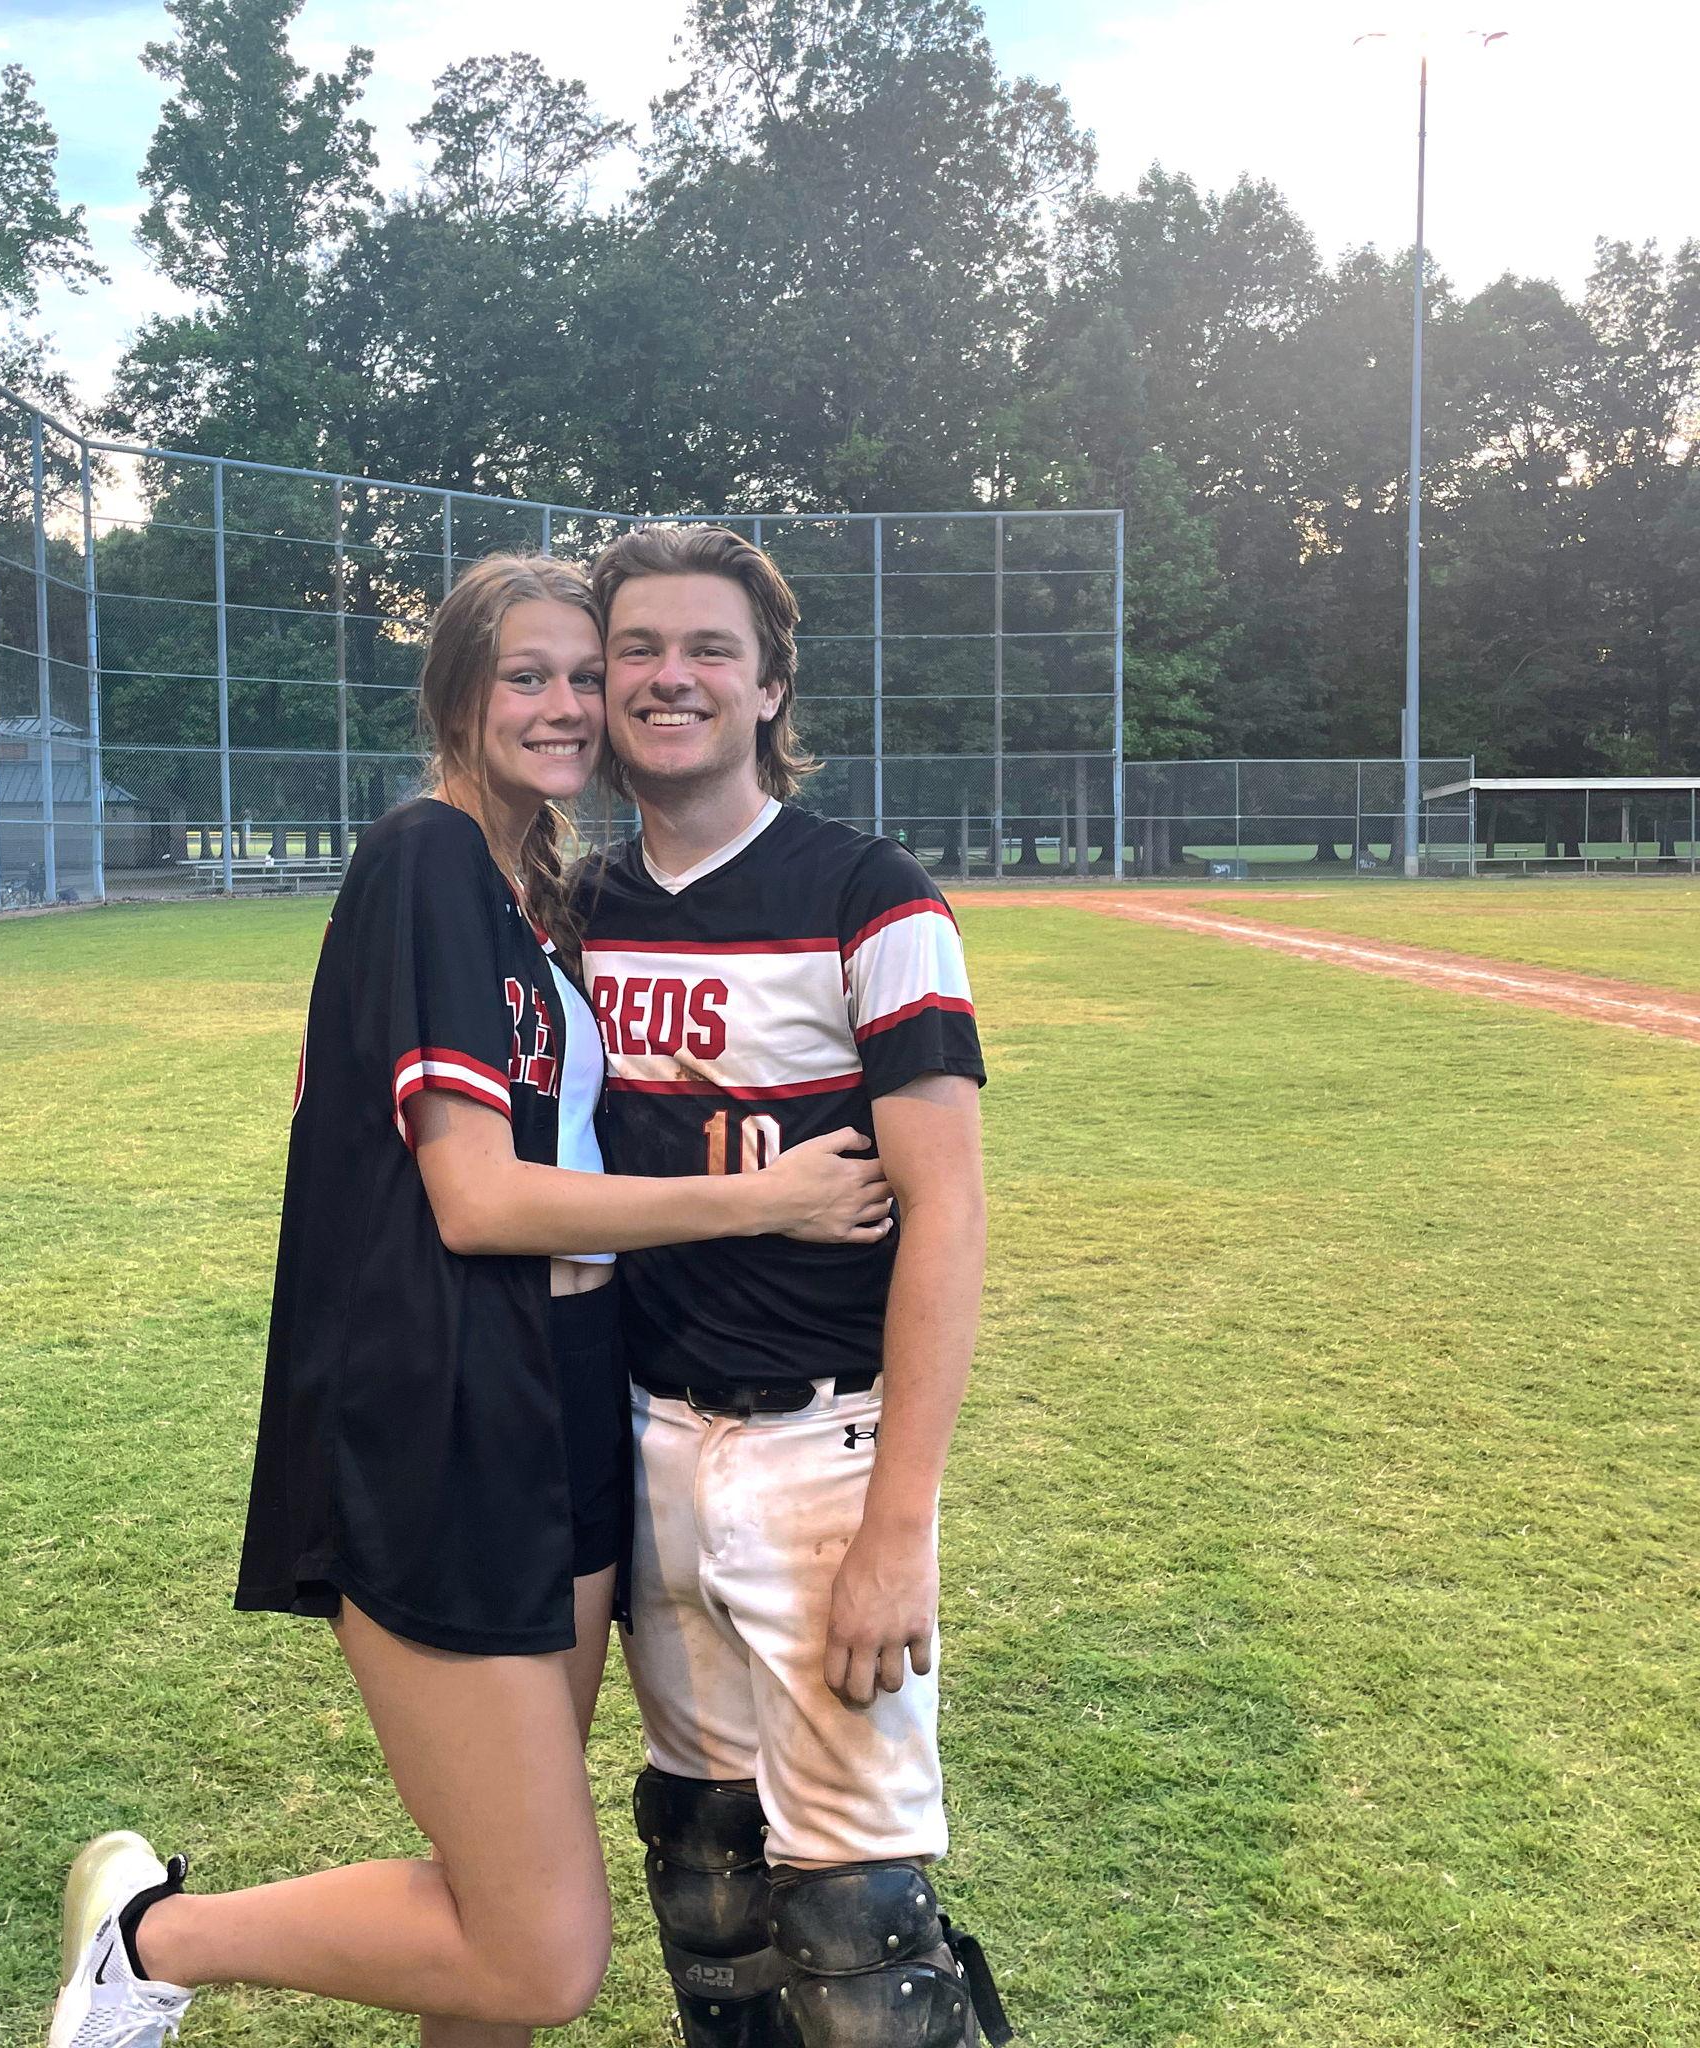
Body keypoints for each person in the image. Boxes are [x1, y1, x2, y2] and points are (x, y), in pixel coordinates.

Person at [45, 553, 895, 2048]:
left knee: (491, 1907)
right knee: (539, 1954)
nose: (568, 705)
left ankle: (151, 1940)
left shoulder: (534, 894)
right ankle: (149, 1938)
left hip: (563, 1392)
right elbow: (479, 1200)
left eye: (587, 677)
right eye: (528, 676)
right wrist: (763, 1198)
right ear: (455, 695)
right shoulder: (427, 856)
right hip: (446, 1408)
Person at [575, 525, 1011, 2046]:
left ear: (769, 687)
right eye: (638, 649)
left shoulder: (870, 895)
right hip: (643, 1438)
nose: (670, 677)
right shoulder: (574, 909)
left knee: (854, 1917)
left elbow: (947, 1214)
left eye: (710, 648)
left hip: (824, 1449)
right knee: (707, 1872)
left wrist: (899, 1527)